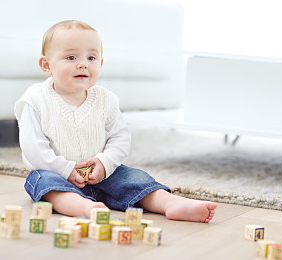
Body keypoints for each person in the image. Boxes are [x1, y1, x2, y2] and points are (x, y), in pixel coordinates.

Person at [14, 20, 217, 223]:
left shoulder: (106, 99)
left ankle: (170, 203)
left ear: (100, 63)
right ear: (46, 65)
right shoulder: (36, 99)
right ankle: (84, 206)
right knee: (43, 182)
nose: (83, 63)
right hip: (56, 173)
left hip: (102, 174)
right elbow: (34, 148)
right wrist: (65, 169)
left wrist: (105, 163)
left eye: (91, 57)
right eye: (71, 57)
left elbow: (120, 137)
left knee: (133, 178)